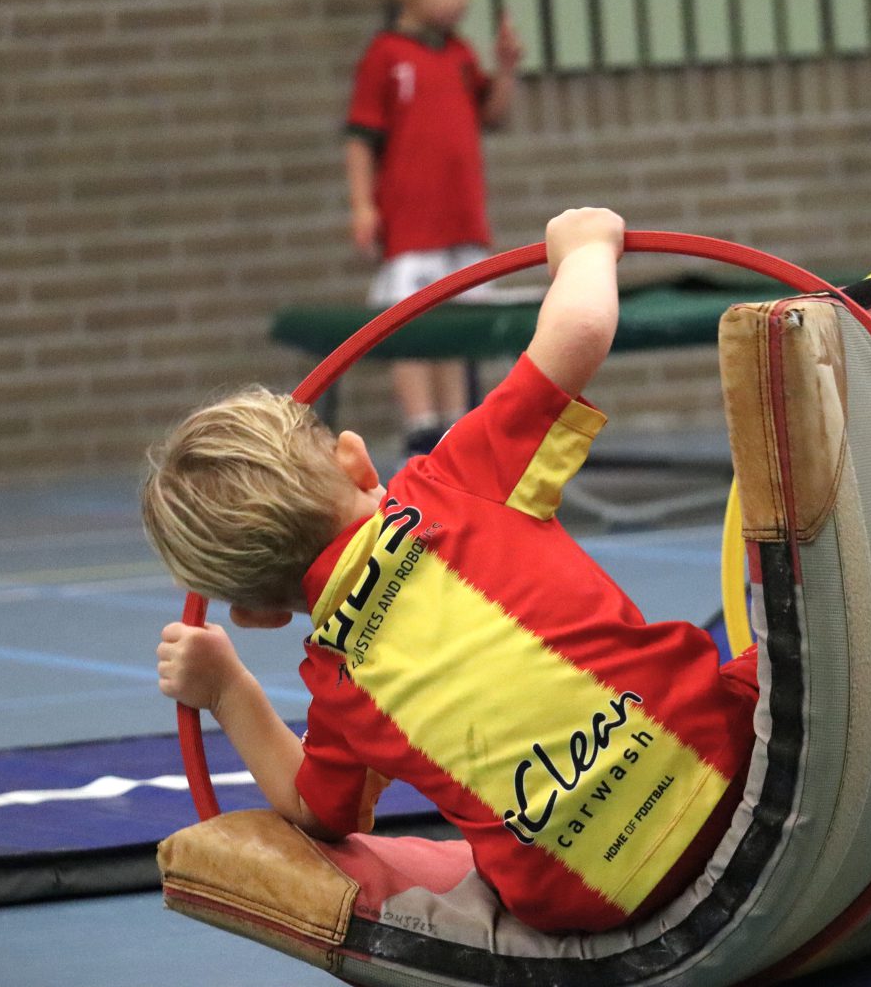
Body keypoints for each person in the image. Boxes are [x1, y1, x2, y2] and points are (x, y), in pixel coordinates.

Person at [143, 208, 759, 934]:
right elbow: (580, 331)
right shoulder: (453, 481)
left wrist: (228, 690)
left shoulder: (341, 685)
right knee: (776, 650)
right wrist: (587, 247)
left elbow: (313, 810)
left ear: (257, 616)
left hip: (581, 900)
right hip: (729, 765)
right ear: (356, 460)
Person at [345, 0, 523, 457]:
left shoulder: (460, 55)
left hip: (460, 217)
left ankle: (454, 420)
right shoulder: (386, 57)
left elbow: (493, 115)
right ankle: (420, 421)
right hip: (412, 221)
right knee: (411, 321)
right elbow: (360, 138)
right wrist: (362, 205)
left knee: (456, 323)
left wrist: (507, 69)